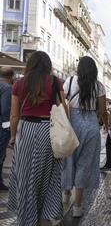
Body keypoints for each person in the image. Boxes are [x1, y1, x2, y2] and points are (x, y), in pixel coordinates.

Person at [8, 51, 66, 226]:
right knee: (49, 176)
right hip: (48, 131)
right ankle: (44, 216)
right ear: (47, 65)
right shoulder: (55, 82)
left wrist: (12, 136)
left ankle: (26, 218)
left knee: (25, 176)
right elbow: (63, 110)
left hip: (26, 129)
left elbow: (14, 114)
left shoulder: (19, 84)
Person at [62, 56, 108, 218]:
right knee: (84, 164)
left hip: (71, 123)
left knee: (69, 159)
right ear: (94, 69)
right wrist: (106, 124)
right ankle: (77, 207)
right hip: (90, 125)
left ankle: (66, 194)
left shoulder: (70, 80)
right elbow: (102, 111)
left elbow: (62, 100)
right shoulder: (98, 86)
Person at [0, 67, 15, 190]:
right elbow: (5, 109)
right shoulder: (7, 88)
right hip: (1, 126)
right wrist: (8, 127)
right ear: (11, 77)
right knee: (0, 155)